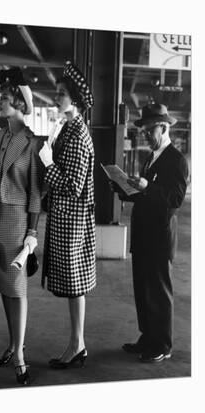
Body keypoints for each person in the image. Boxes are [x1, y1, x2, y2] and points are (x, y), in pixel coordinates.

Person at [110, 103, 188, 363]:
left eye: (148, 130)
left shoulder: (176, 160)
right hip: (143, 234)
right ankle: (148, 336)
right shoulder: (151, 157)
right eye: (142, 130)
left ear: (163, 128)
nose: (144, 135)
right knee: (143, 289)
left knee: (159, 291)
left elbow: (175, 199)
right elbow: (146, 195)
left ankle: (162, 344)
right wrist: (124, 188)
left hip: (159, 236)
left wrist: (147, 187)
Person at [0, 67, 44, 385]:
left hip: (18, 222)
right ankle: (12, 344)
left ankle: (20, 356)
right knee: (3, 289)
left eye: (4, 98)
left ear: (20, 104)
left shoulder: (32, 143)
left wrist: (32, 232)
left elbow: (35, 192)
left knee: (17, 289)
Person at [38, 61, 96, 369]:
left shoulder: (78, 134)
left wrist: (48, 163)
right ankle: (77, 343)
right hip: (66, 218)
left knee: (75, 284)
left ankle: (77, 345)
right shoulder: (69, 129)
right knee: (74, 285)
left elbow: (73, 185)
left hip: (73, 220)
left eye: (61, 93)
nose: (56, 97)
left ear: (74, 100)